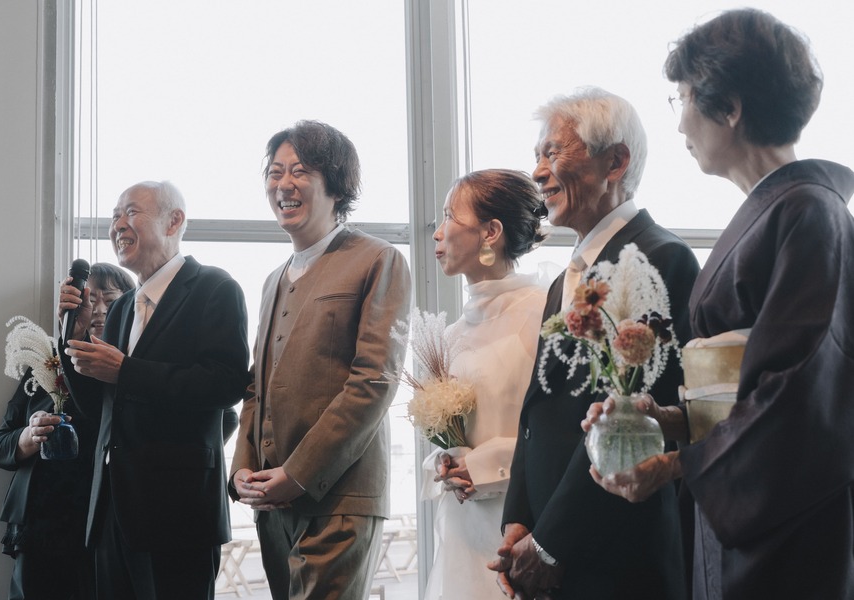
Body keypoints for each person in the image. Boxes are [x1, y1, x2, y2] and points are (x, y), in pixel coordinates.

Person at [584, 9, 854, 600]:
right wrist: (667, 422)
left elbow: (804, 393)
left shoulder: (811, 213)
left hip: (785, 519)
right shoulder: (786, 210)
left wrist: (679, 465)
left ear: (729, 108)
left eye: (683, 97)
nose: (680, 120)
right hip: (744, 491)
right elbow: (746, 392)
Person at [490, 87, 700, 599]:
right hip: (549, 539)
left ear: (615, 162)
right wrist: (518, 520)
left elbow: (628, 422)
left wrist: (550, 544)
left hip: (616, 552)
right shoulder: (564, 279)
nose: (538, 172)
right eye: (537, 156)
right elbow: (538, 411)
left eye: (552, 153)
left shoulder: (659, 259)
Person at [229, 120, 411, 600]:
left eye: (300, 171)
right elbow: (256, 388)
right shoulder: (272, 279)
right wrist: (242, 469)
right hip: (270, 502)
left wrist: (298, 474)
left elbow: (374, 380)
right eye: (275, 172)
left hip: (340, 499)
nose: (283, 184)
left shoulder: (379, 259)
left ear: (336, 185)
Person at [58, 181, 250, 600]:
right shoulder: (123, 308)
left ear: (174, 221)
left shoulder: (215, 288)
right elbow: (102, 407)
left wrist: (126, 371)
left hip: (178, 513)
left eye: (131, 212)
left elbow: (226, 383)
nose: (117, 225)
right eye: (114, 216)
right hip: (111, 509)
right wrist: (74, 338)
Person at [422, 169, 547, 599]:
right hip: (463, 530)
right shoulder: (451, 334)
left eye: (449, 217)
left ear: (491, 232)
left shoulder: (542, 314)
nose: (437, 233)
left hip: (518, 526)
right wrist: (446, 460)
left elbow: (554, 436)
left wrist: (486, 466)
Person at [0, 263, 134, 600]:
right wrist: (28, 438)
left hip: (103, 520)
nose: (98, 309)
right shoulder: (47, 363)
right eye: (90, 300)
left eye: (110, 299)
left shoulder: (131, 368)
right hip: (40, 521)